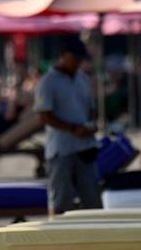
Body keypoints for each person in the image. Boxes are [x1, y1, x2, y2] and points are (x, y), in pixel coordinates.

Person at [35, 36, 100, 217]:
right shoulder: (48, 82)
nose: (78, 62)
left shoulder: (82, 79)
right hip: (61, 149)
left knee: (92, 199)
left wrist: (90, 125)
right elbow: (44, 116)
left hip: (85, 147)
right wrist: (72, 128)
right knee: (61, 199)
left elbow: (90, 109)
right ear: (63, 55)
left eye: (80, 58)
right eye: (75, 58)